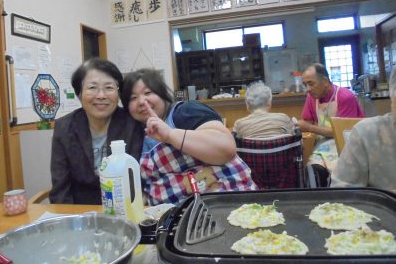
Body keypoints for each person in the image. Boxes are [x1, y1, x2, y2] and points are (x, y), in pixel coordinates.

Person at [121, 68, 257, 205]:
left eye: (148, 93)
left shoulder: (185, 112)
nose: (141, 101)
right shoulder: (134, 138)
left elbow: (226, 148)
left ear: (162, 94)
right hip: (172, 218)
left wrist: (170, 135)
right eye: (133, 98)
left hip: (228, 205)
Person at [49, 57, 144, 204]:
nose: (101, 95)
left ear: (118, 94)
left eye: (109, 88)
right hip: (82, 213)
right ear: (79, 94)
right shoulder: (64, 128)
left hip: (126, 208)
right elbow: (60, 190)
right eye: (92, 87)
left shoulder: (133, 124)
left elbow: (140, 179)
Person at [331, 66, 396, 191]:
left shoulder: (345, 96)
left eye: (311, 84)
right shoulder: (368, 134)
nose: (309, 88)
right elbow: (343, 191)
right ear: (392, 97)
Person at [297, 63, 364, 172]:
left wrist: (309, 127)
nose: (307, 89)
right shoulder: (312, 97)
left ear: (325, 82)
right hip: (322, 144)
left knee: (341, 171)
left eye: (311, 84)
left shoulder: (345, 96)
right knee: (313, 169)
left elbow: (341, 132)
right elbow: (307, 122)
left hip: (346, 144)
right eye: (305, 85)